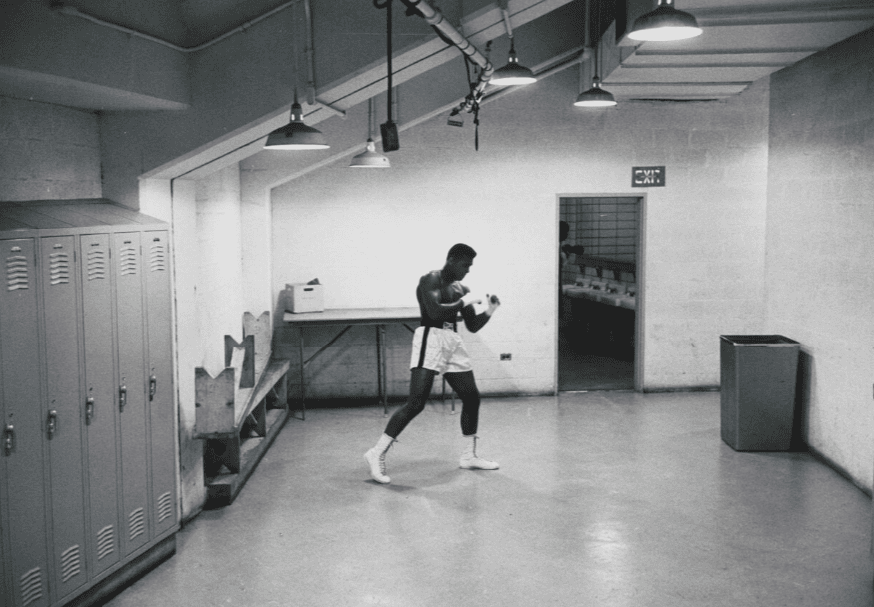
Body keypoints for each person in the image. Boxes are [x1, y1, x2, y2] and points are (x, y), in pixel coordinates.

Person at [364, 243, 501, 484]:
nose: (467, 270)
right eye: (464, 265)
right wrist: (463, 302)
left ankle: (469, 455)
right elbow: (435, 312)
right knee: (416, 403)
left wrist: (490, 310)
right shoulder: (430, 280)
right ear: (450, 259)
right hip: (431, 337)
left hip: (452, 340)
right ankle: (376, 453)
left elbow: (471, 325)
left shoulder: (462, 288)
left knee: (471, 397)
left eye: (470, 266)